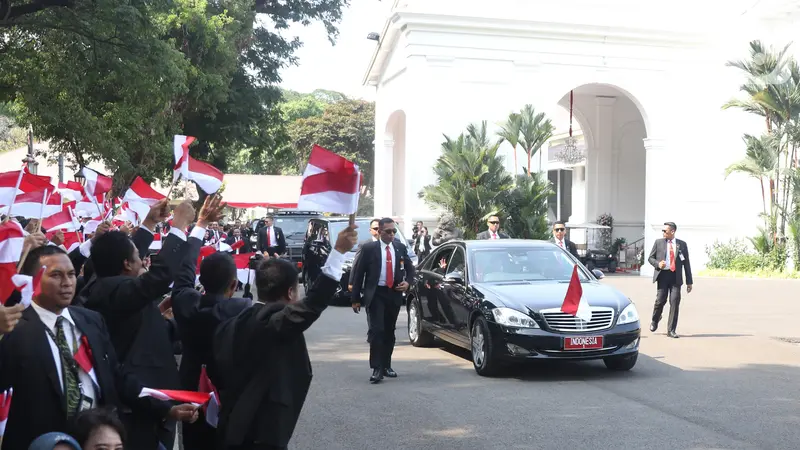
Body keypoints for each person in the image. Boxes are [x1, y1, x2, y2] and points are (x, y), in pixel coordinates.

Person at [0, 246, 198, 450]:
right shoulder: (12, 328)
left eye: (71, 274)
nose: (67, 283)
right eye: (56, 275)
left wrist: (165, 409)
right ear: (33, 279)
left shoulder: (90, 321)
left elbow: (116, 376)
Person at [213, 223, 357, 450]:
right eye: (297, 290)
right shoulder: (273, 322)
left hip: (232, 425)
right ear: (290, 292)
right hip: (260, 433)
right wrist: (337, 252)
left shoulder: (234, 322)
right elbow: (313, 304)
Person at [80, 199, 196, 449]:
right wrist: (178, 226)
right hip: (142, 407)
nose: (144, 261)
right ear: (126, 264)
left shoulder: (101, 283)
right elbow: (160, 277)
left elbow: (122, 253)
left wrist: (149, 223)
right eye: (139, 258)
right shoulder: (115, 290)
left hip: (147, 405)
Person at [171, 196, 252, 450]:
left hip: (190, 389)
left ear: (200, 279)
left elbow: (183, 271)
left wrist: (201, 224)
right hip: (231, 392)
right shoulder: (243, 311)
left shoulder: (184, 302)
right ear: (234, 285)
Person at [350, 218, 416, 383]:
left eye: (393, 231)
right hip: (376, 294)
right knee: (377, 330)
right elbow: (358, 274)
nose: (391, 234)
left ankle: (387, 365)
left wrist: (408, 282)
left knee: (389, 331)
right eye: (388, 231)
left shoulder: (399, 247)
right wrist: (355, 298)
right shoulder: (368, 248)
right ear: (379, 232)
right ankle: (376, 368)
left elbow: (410, 269)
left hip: (393, 293)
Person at [647, 221, 693, 338]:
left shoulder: (682, 244)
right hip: (663, 276)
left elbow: (686, 263)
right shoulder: (659, 243)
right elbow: (650, 258)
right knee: (660, 301)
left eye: (665, 231)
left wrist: (689, 282)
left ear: (672, 231)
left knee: (675, 302)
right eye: (662, 230)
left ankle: (671, 330)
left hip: (675, 277)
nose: (663, 232)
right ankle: (655, 319)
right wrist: (658, 264)